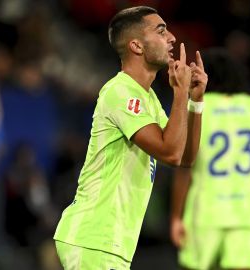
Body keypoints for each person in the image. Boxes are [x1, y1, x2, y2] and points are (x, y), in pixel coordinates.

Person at [54, 6, 208, 269]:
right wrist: (180, 93)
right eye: (161, 31)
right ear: (136, 45)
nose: (171, 37)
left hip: (108, 241)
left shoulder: (147, 98)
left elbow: (185, 157)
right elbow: (170, 151)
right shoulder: (120, 92)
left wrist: (195, 102)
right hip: (94, 236)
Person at [170, 48, 250, 270]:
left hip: (205, 209)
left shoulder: (199, 106)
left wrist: (175, 216)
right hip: (247, 210)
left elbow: (185, 167)